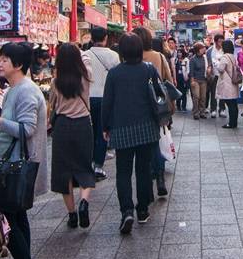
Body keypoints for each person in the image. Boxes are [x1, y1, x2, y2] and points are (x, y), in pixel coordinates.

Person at [0, 41, 48, 259]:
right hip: (8, 162)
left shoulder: (26, 91)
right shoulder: (12, 90)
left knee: (8, 219)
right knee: (17, 217)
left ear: (19, 64)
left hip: (16, 165)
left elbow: (26, 129)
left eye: (5, 59)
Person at [101, 33, 162, 233]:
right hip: (146, 127)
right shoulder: (149, 70)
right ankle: (142, 209)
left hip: (121, 127)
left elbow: (107, 102)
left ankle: (127, 211)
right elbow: (160, 95)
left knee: (123, 172)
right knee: (144, 169)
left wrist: (105, 126)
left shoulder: (115, 73)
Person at [47, 42, 95, 229]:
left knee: (63, 171)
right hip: (83, 124)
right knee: (84, 165)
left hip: (63, 126)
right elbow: (86, 59)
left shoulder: (55, 82)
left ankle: (72, 214)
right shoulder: (85, 77)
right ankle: (84, 201)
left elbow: (53, 105)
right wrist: (77, 52)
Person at [137, 29, 173, 197]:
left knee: (141, 145)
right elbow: (168, 80)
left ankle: (149, 173)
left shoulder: (130, 59)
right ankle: (159, 175)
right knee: (155, 141)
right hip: (156, 104)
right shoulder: (159, 56)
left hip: (137, 105)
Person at [82, 28, 119, 180]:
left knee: (90, 132)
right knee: (103, 132)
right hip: (106, 98)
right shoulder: (113, 55)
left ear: (91, 38)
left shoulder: (84, 55)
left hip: (88, 98)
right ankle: (98, 165)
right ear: (105, 38)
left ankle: (89, 162)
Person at [215, 40, 242, 129]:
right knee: (233, 104)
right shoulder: (232, 56)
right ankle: (234, 123)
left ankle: (231, 123)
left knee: (230, 105)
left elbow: (221, 69)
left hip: (227, 83)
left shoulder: (224, 57)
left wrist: (217, 63)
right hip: (233, 83)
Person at [205, 33, 224, 118]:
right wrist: (209, 69)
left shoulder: (224, 50)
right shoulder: (210, 51)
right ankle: (213, 109)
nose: (221, 43)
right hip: (214, 74)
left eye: (222, 41)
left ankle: (222, 109)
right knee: (213, 92)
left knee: (223, 92)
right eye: (219, 41)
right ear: (215, 42)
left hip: (223, 74)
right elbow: (208, 62)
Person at [188, 42, 208, 119]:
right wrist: (192, 81)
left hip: (204, 80)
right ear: (198, 50)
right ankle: (196, 112)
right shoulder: (193, 59)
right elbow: (191, 71)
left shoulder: (205, 58)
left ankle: (202, 112)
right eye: (202, 48)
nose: (204, 49)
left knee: (203, 97)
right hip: (195, 80)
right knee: (196, 96)